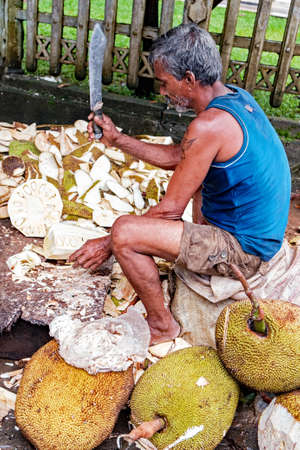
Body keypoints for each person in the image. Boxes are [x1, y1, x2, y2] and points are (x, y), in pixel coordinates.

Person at [69, 24, 291, 345]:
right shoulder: (236, 98)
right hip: (256, 236)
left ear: (188, 79)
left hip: (244, 251)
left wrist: (108, 244)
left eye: (164, 83)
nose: (162, 92)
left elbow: (171, 210)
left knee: (125, 233)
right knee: (194, 186)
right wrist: (117, 139)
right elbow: (181, 155)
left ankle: (162, 327)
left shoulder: (210, 125)